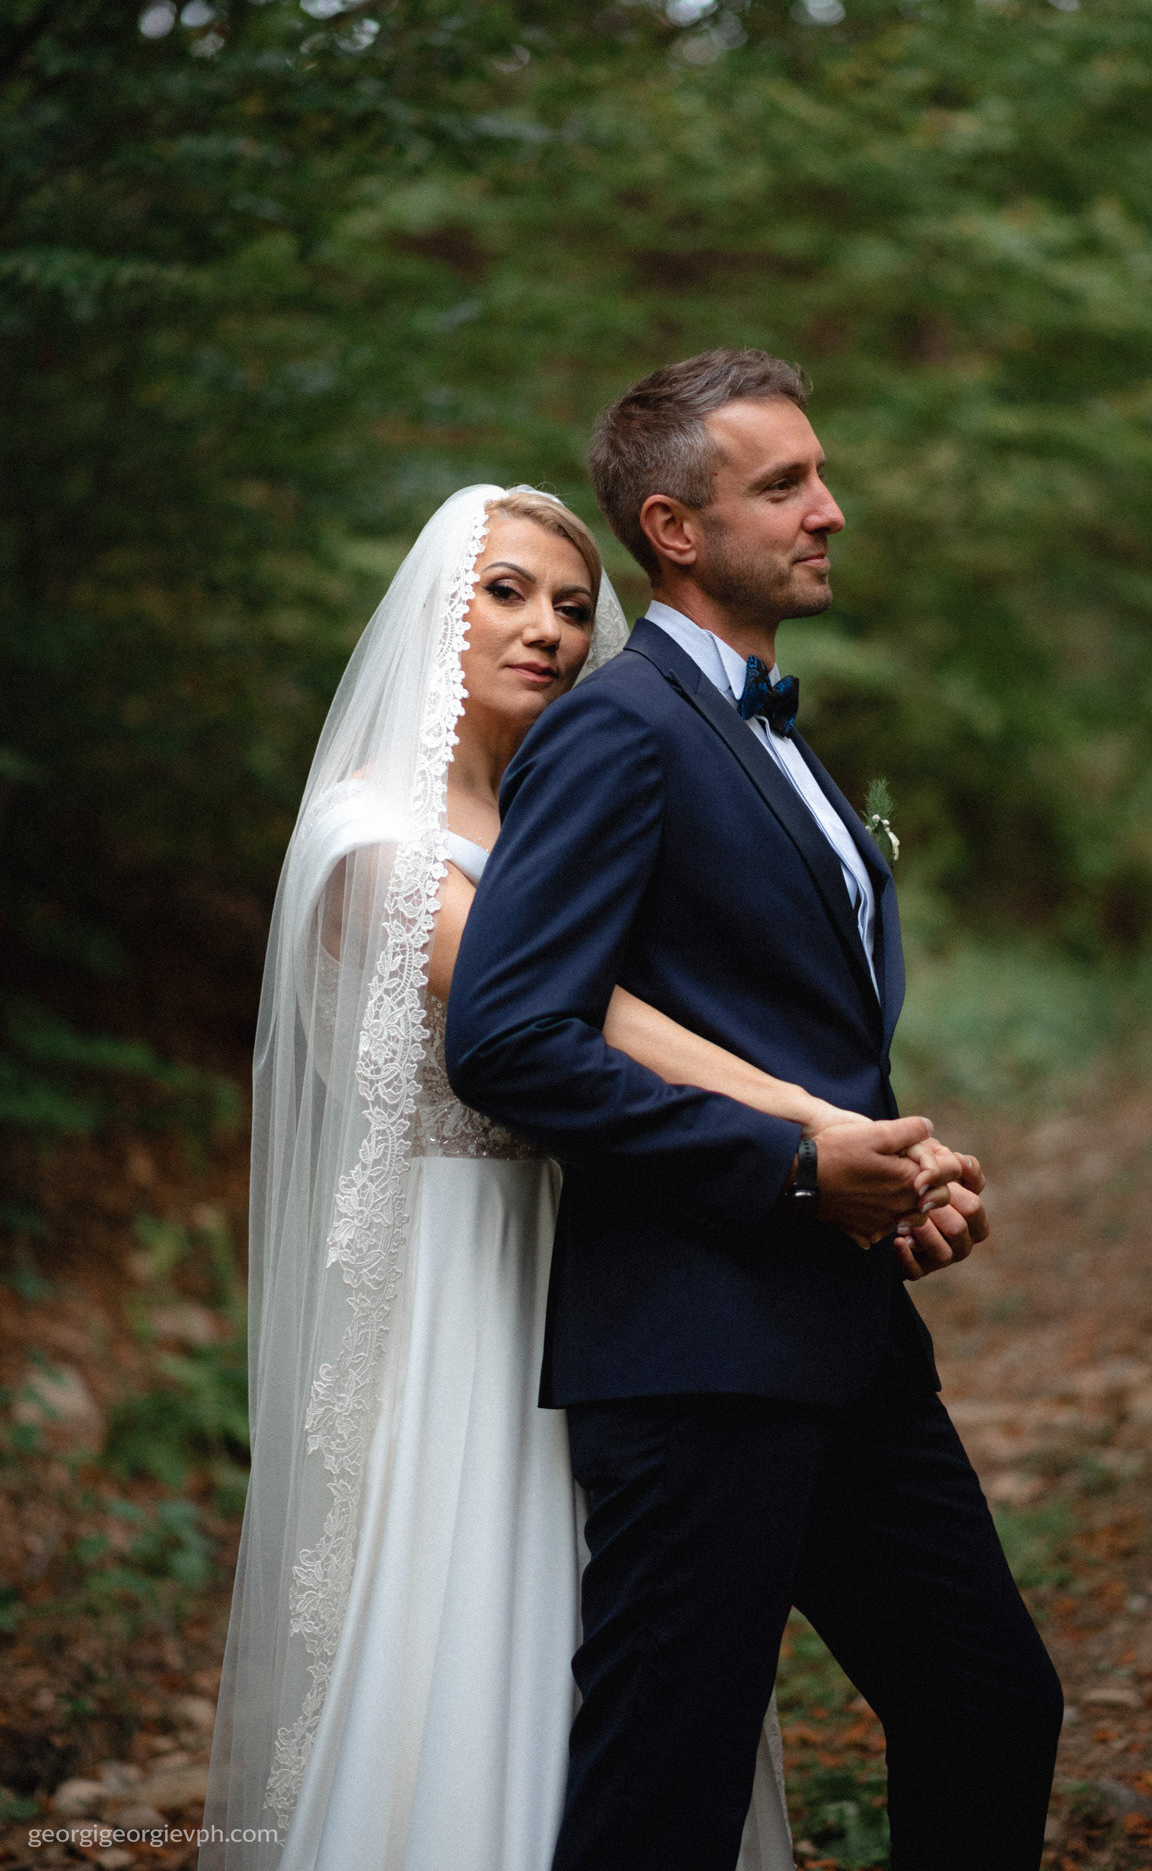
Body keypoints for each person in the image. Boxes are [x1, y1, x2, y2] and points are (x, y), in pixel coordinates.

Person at [202, 481, 961, 1871]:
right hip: (464, 1273)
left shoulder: (546, 819)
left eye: (568, 603)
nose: (546, 629)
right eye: (502, 594)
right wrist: (816, 1128)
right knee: (477, 1599)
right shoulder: (370, 841)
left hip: (603, 1249)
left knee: (643, 1651)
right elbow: (599, 1023)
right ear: (431, 618)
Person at [446, 352, 1065, 1871]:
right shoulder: (617, 728)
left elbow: (771, 1028)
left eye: (820, 476)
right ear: (674, 527)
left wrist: (892, 1180)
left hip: (845, 1340)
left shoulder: (773, 736)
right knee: (664, 1798)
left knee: (990, 1705)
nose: (827, 510)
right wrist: (793, 1172)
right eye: (784, 485)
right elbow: (510, 1038)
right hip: (697, 1355)